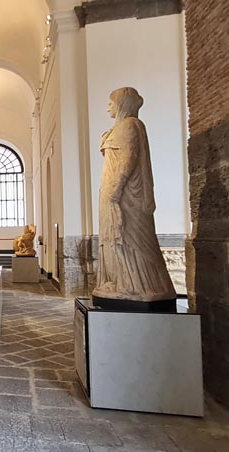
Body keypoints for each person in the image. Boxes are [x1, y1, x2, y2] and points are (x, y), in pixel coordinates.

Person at [92, 87, 175, 302]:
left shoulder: (130, 125)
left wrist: (116, 189)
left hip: (125, 195)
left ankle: (138, 285)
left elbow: (129, 159)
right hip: (112, 192)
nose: (108, 107)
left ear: (122, 103)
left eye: (111, 102)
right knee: (114, 236)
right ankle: (120, 282)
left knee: (129, 236)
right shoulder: (119, 127)